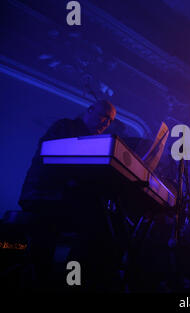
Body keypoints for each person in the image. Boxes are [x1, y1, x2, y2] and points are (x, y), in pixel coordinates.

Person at [18, 100, 119, 291]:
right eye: (104, 116)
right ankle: (69, 281)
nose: (106, 123)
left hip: (62, 197)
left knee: (103, 224)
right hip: (43, 195)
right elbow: (53, 161)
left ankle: (76, 279)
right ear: (90, 110)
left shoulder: (92, 141)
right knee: (95, 225)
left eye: (110, 121)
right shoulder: (66, 126)